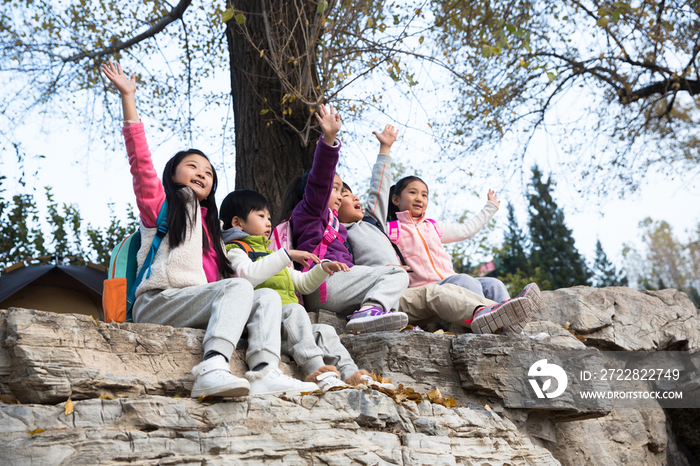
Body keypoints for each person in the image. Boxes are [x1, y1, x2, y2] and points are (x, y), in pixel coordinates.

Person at [102, 61, 318, 398]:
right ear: (173, 174)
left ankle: (264, 372)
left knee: (266, 297)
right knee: (235, 290)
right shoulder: (160, 206)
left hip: (194, 303)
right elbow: (140, 161)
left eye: (209, 172)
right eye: (193, 167)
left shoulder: (214, 231)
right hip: (158, 302)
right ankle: (213, 366)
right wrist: (128, 98)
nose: (203, 174)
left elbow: (242, 277)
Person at [336, 124, 541, 334]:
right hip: (423, 290)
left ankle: (514, 327)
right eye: (413, 193)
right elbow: (377, 193)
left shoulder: (433, 227)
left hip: (448, 281)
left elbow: (466, 230)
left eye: (424, 195)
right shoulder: (387, 229)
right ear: (395, 199)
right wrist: (385, 150)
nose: (419, 198)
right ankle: (481, 324)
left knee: (494, 283)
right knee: (465, 280)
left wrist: (490, 208)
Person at [219, 189, 394, 390]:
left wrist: (321, 269)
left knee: (324, 331)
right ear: (237, 223)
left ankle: (352, 375)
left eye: (269, 217)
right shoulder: (235, 250)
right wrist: (285, 256)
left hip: (289, 324)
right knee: (294, 311)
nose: (268, 222)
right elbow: (246, 274)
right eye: (261, 216)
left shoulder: (270, 253)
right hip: (263, 324)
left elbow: (302, 283)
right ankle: (318, 372)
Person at [278, 104, 410, 334]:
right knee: (396, 274)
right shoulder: (310, 212)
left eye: (341, 190)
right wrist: (329, 139)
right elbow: (320, 178)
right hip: (323, 284)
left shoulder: (338, 227)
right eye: (335, 189)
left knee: (392, 277)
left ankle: (378, 316)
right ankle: (370, 310)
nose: (340, 195)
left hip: (336, 285)